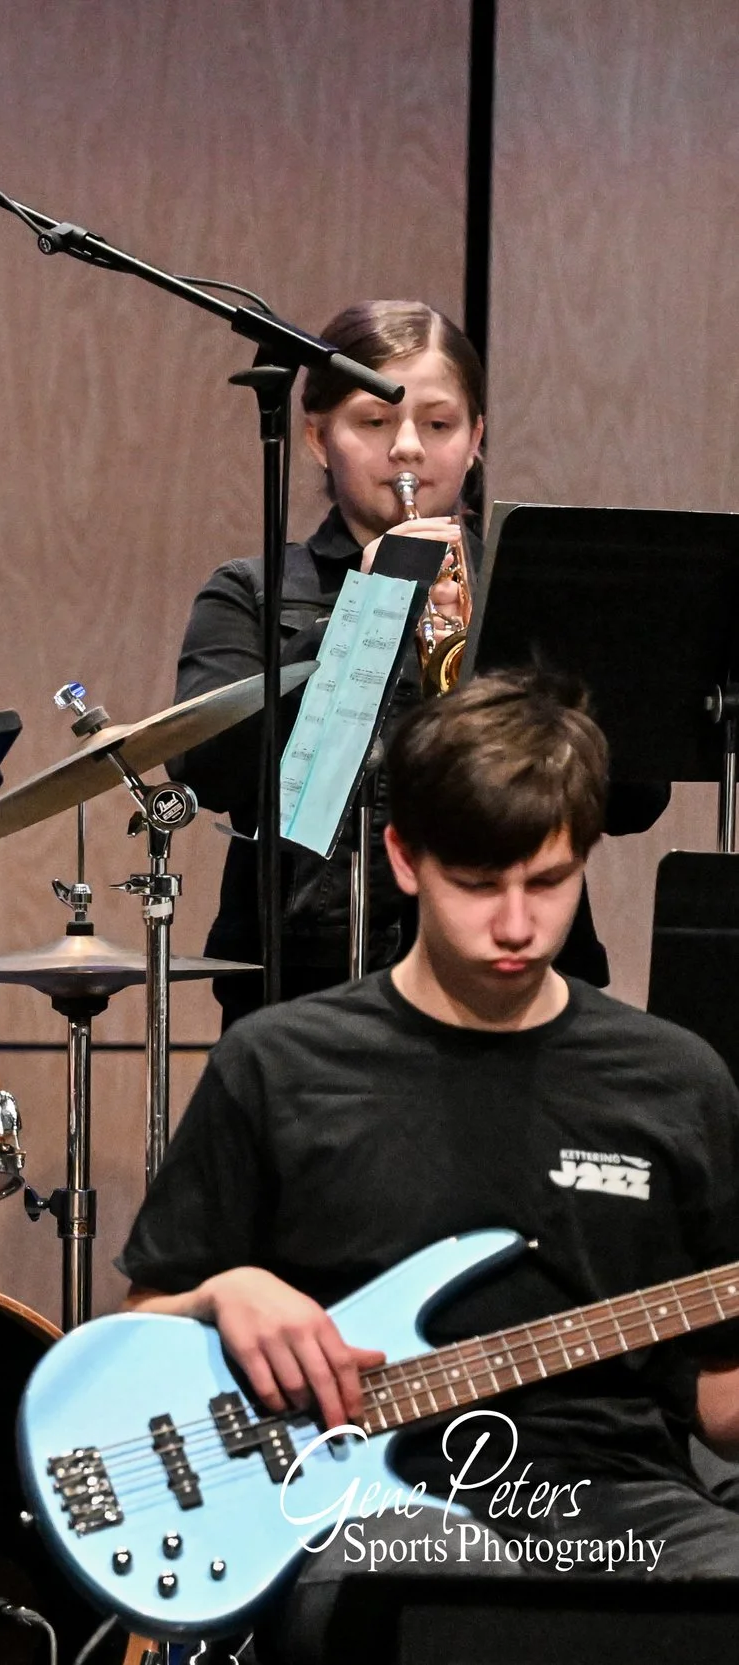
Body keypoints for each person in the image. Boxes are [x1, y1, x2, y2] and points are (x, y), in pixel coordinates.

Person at [120, 671, 739, 1659]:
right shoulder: (280, 1061)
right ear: (404, 859)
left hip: (620, 1505)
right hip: (366, 1499)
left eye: (546, 882)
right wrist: (221, 1292)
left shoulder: (674, 1079)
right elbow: (139, 1330)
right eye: (477, 883)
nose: (514, 924)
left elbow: (717, 1397)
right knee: (445, 1602)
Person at [166, 299, 664, 1027]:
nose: (408, 448)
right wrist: (364, 611)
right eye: (373, 423)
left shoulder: (532, 590)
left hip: (527, 980)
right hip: (306, 982)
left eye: (438, 424)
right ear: (316, 438)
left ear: (476, 438)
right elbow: (209, 770)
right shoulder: (253, 592)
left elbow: (635, 800)